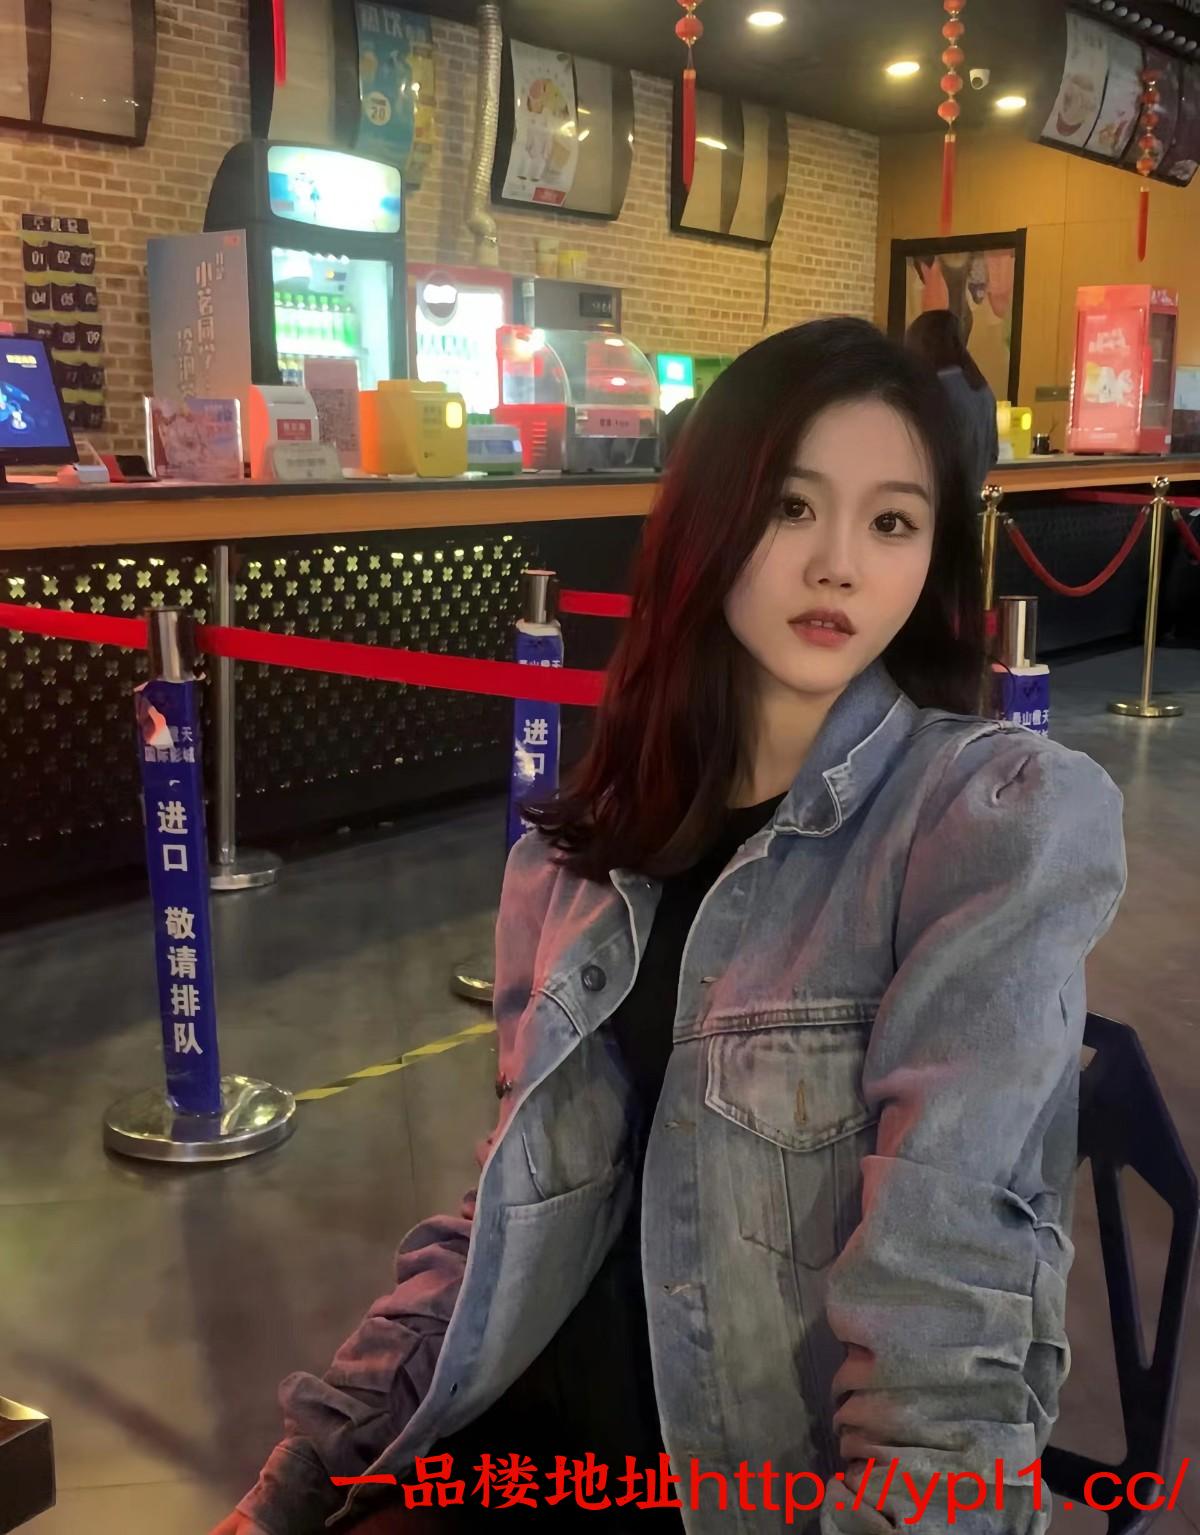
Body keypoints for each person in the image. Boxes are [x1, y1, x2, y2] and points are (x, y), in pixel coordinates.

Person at [214, 319, 1125, 1535]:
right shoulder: (576, 853)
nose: (839, 566)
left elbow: (952, 1293)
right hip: (507, 1450)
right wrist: (312, 1463)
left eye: (892, 522)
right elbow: (505, 1217)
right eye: (793, 507)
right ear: (710, 520)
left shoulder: (982, 823)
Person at [905, 308, 999, 495]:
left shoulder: (932, 392)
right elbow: (992, 455)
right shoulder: (982, 389)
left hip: (935, 501)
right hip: (971, 501)